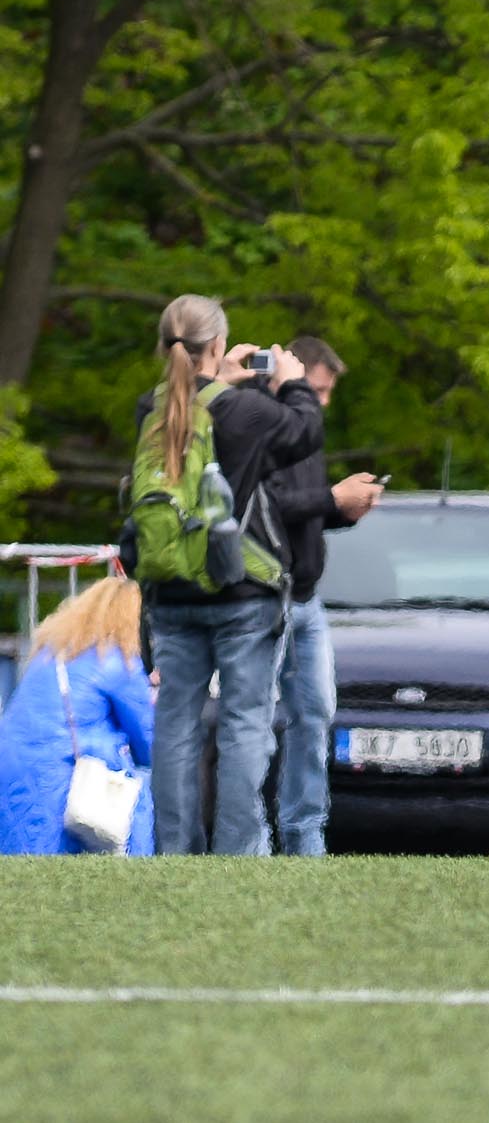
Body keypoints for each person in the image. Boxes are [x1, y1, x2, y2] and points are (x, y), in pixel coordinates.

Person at [129, 294, 325, 856]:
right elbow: (305, 432)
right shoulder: (245, 412)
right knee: (243, 721)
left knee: (176, 722)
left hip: (170, 591)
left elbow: (194, 402)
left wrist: (220, 379)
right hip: (239, 590)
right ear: (217, 343)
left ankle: (175, 849)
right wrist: (292, 382)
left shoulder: (150, 409)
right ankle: (235, 852)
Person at [266, 335, 385, 857]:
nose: (323, 402)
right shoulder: (262, 426)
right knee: (256, 724)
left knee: (315, 718)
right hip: (267, 600)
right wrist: (331, 497)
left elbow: (303, 511)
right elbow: (263, 509)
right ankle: (253, 840)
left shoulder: (307, 432)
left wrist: (341, 509)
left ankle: (305, 839)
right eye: (317, 390)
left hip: (307, 599)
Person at [0, 576, 155, 855]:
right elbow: (150, 744)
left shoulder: (49, 653)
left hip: (14, 772)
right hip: (65, 779)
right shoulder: (117, 662)